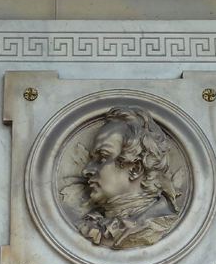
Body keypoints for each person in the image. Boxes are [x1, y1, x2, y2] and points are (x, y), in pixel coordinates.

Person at [76, 106, 182, 250]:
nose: (86, 170)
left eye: (102, 158)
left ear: (135, 168)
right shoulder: (92, 224)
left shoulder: (159, 223)